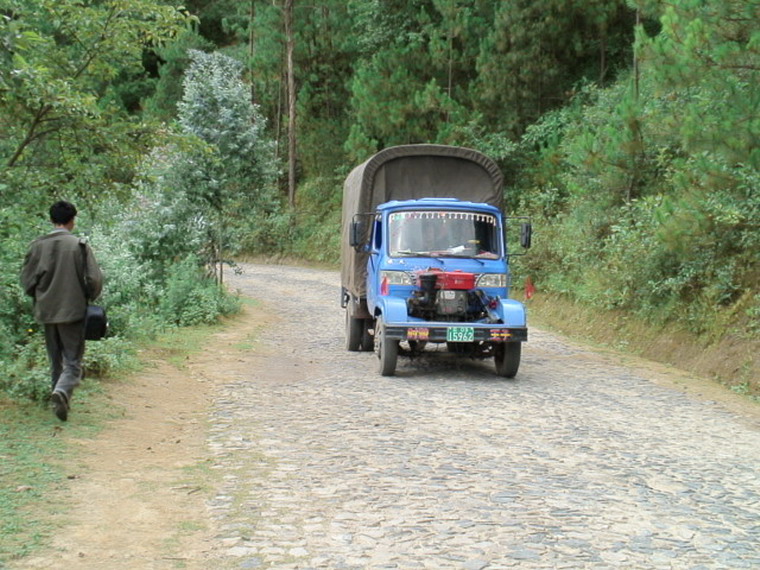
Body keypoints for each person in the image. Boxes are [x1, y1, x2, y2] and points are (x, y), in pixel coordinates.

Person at [20, 201, 103, 421]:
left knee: (55, 359)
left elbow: (27, 280)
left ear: (51, 219)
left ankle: (58, 403)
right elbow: (94, 279)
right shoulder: (79, 245)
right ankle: (62, 392)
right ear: (72, 221)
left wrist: (40, 297)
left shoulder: (38, 246)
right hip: (72, 311)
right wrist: (87, 297)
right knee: (73, 362)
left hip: (46, 311)